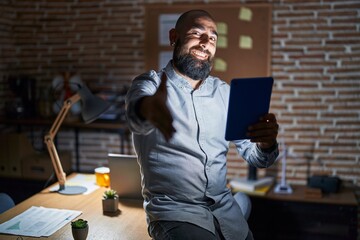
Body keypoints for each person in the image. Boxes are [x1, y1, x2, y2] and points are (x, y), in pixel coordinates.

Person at [125, 9, 279, 240]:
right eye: (197, 33)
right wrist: (147, 109)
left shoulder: (227, 94)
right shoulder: (150, 84)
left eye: (213, 38)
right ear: (174, 37)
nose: (206, 42)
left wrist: (266, 144)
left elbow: (257, 158)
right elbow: (136, 118)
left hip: (225, 211)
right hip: (175, 213)